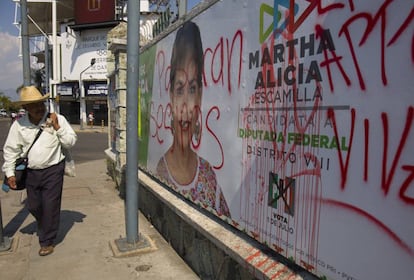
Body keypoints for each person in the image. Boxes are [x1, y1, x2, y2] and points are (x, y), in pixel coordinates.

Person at [156, 21, 230, 218]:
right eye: (180, 90)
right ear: (171, 96)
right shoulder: (160, 172)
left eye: (192, 88)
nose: (186, 105)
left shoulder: (208, 176)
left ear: (201, 95)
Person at [2, 86, 77, 256]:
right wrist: (10, 173)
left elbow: (71, 142)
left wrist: (58, 127)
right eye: (33, 105)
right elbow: (11, 150)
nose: (39, 107)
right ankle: (45, 224)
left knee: (50, 205)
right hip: (31, 172)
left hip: (53, 170)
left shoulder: (57, 119)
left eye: (40, 103)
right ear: (26, 108)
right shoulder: (19, 125)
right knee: (34, 206)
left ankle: (46, 241)